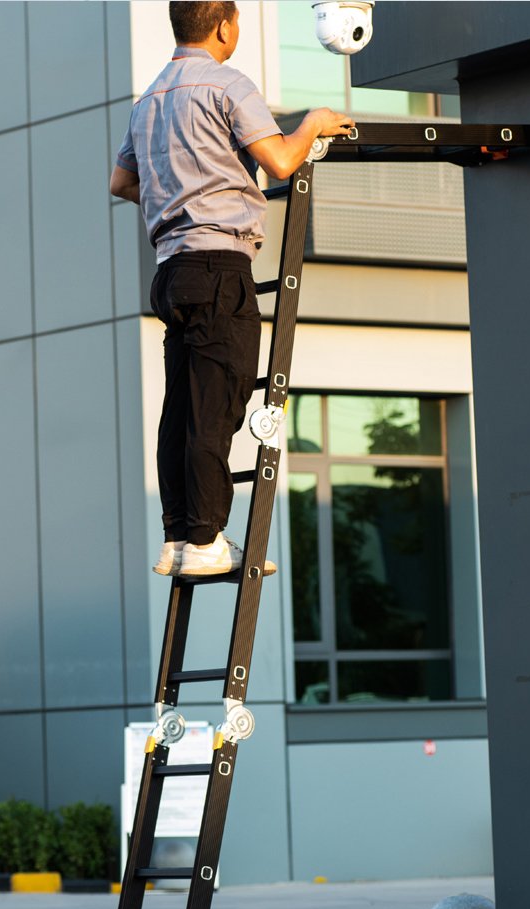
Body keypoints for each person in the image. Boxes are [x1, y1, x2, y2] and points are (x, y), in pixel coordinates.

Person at [110, 1, 354, 577]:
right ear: (223, 26)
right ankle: (205, 541)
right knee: (215, 407)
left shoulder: (149, 100)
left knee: (182, 410)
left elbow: (122, 181)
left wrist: (178, 196)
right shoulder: (226, 85)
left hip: (172, 270)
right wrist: (314, 123)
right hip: (221, 267)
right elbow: (280, 161)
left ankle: (178, 538)